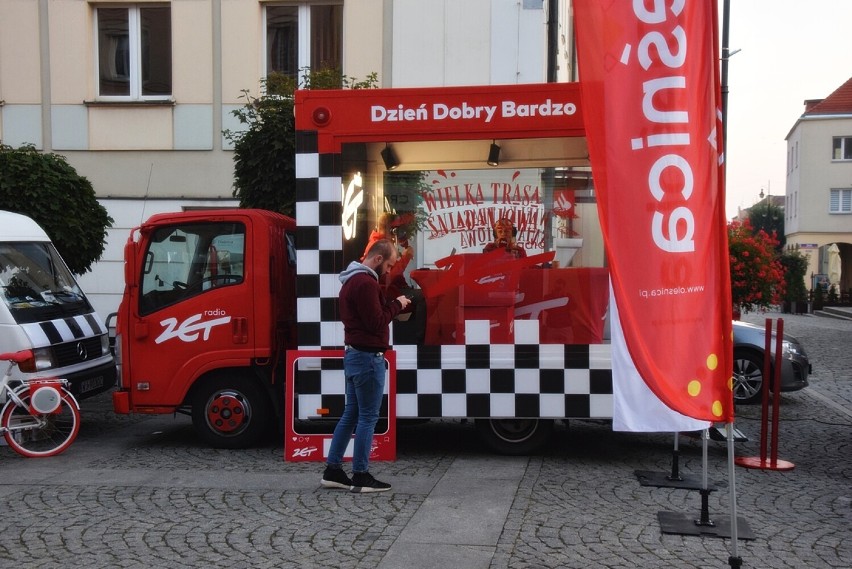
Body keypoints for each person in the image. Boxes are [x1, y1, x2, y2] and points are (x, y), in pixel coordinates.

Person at [321, 239, 411, 493]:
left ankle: (333, 470)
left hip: (354, 355)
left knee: (350, 414)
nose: (390, 271)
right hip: (368, 358)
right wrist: (397, 305)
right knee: (368, 417)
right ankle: (360, 474)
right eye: (390, 265)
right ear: (378, 259)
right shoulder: (365, 283)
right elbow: (376, 322)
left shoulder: (351, 281)